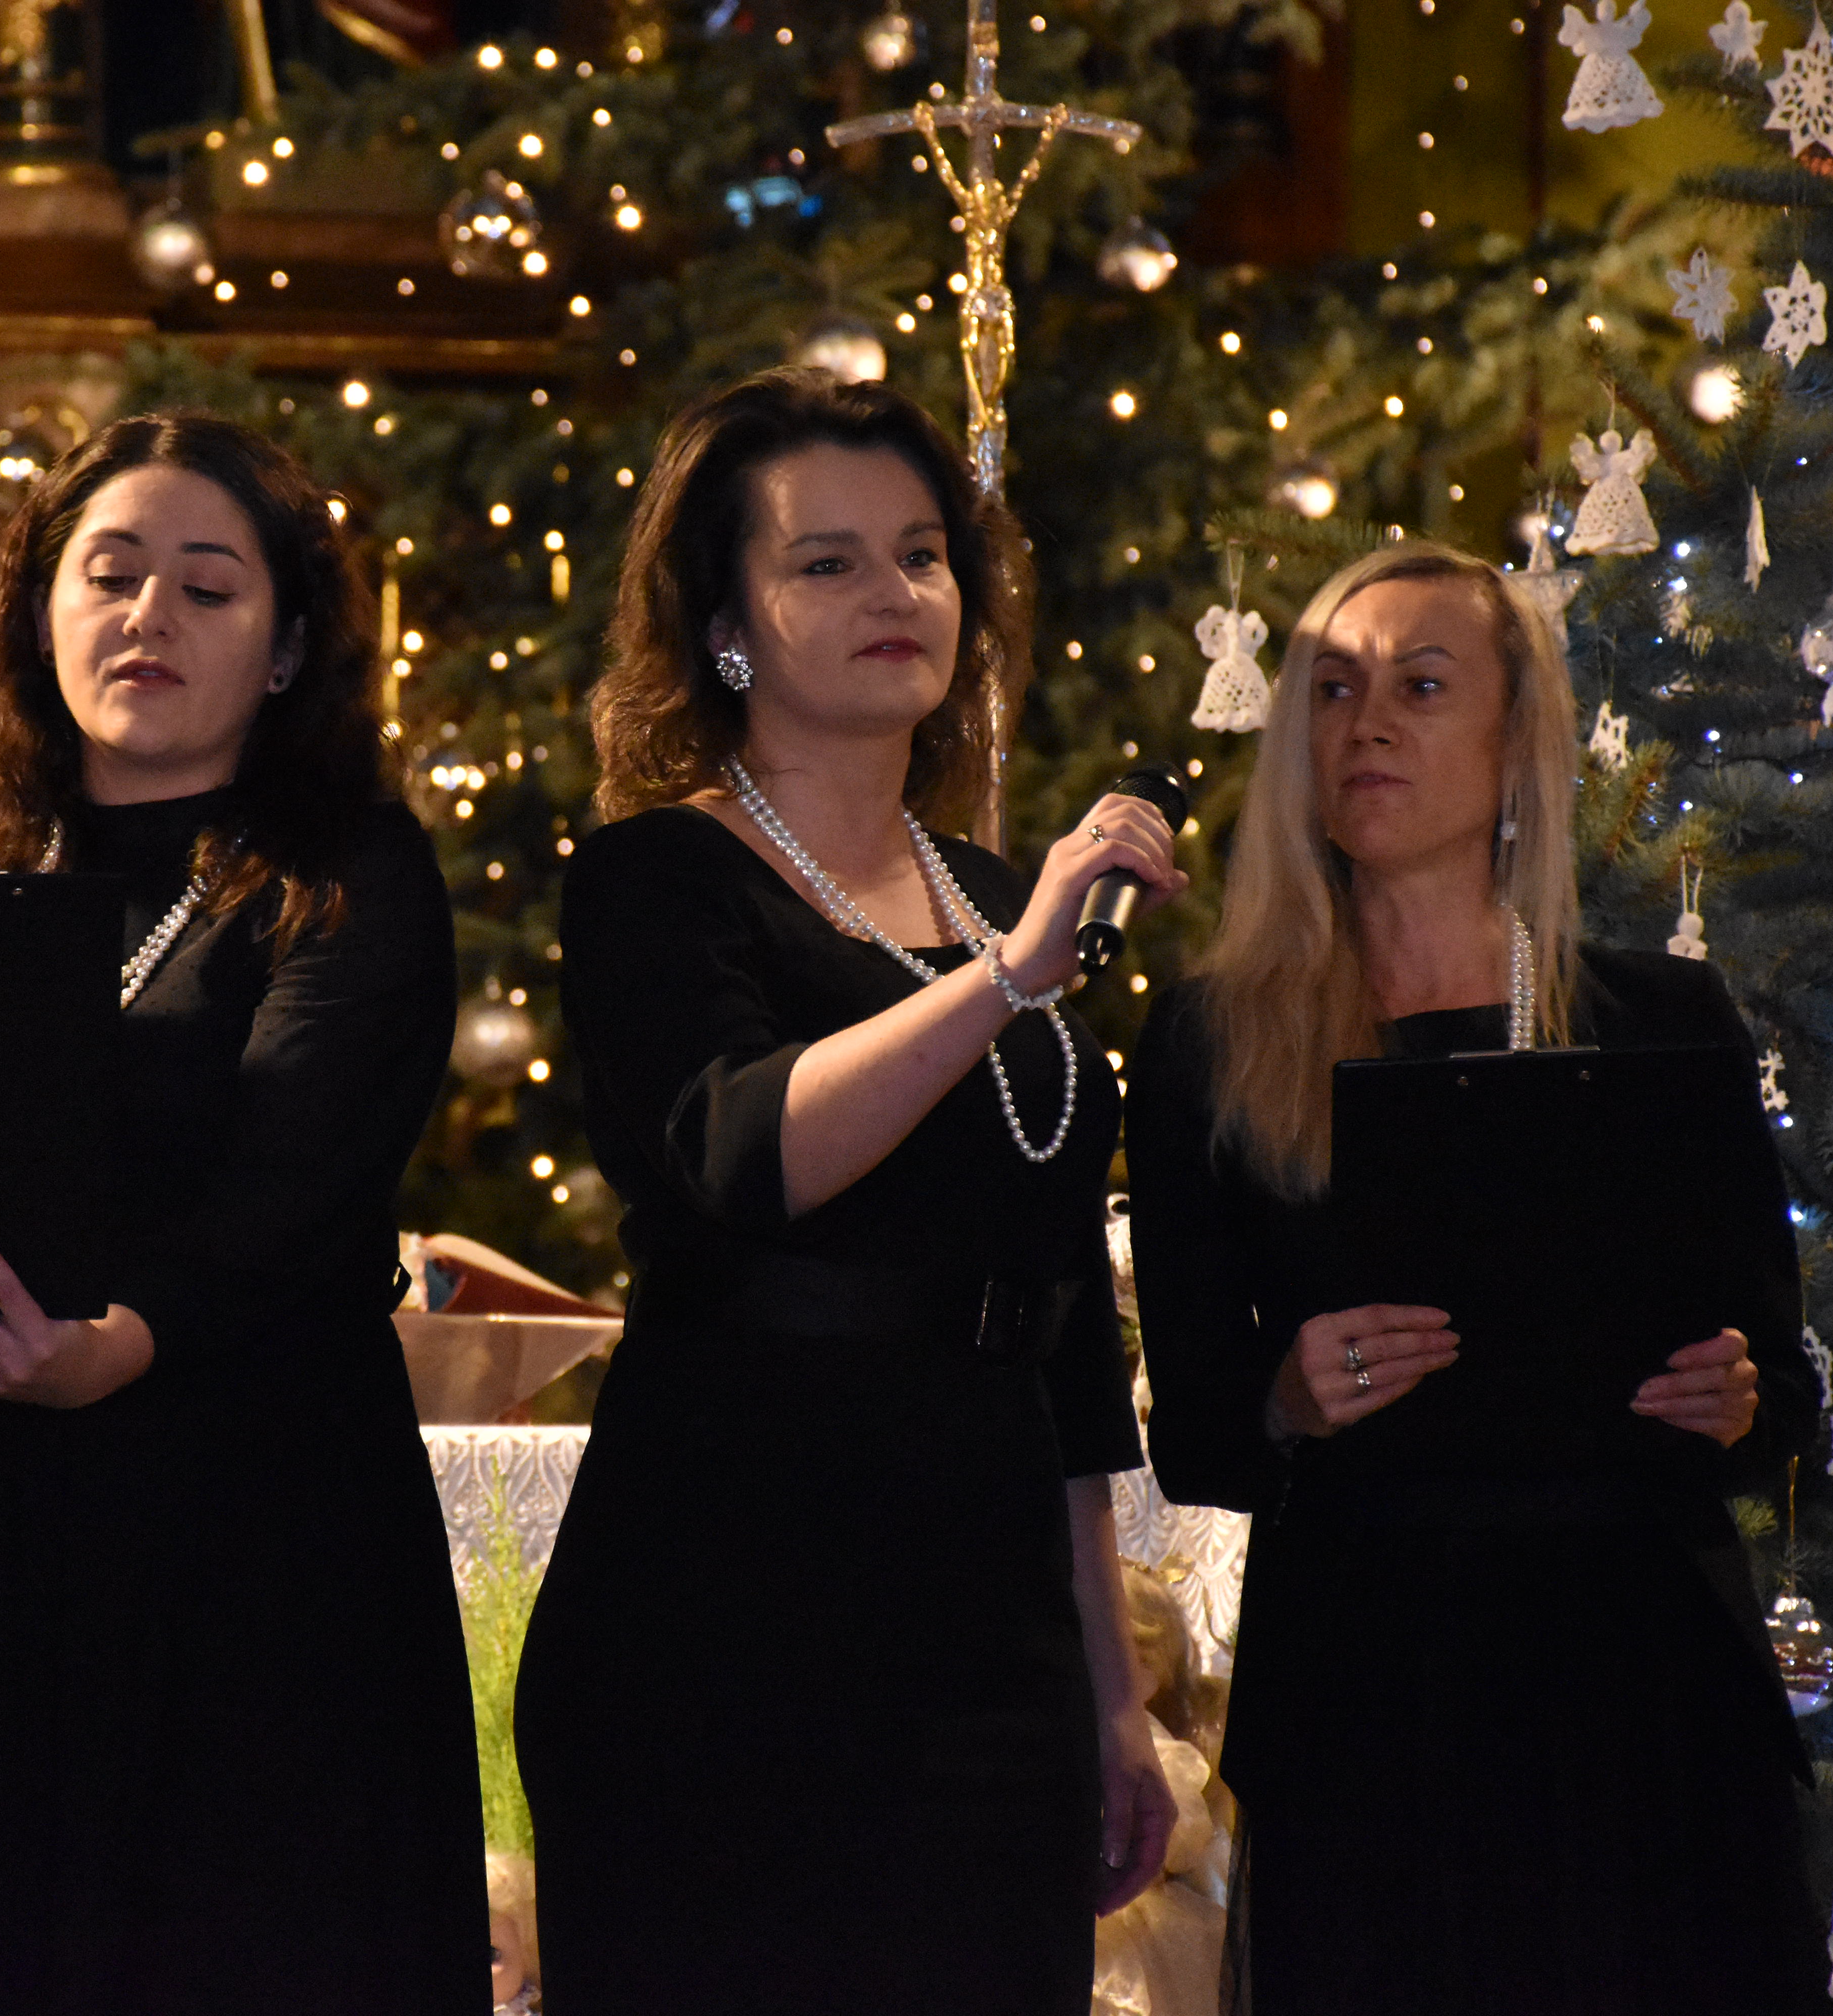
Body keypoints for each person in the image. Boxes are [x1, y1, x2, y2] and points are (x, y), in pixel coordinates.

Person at [513, 367, 1184, 2016]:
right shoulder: (658, 878)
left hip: (992, 1615)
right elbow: (745, 1152)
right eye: (827, 562)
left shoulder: (994, 892)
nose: (895, 593)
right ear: (725, 626)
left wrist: (1111, 1695)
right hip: (727, 1598)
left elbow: (1062, 1334)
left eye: (923, 555)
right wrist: (1006, 981)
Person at [0, 414, 486, 2013]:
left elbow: (298, 1171)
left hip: (256, 1545)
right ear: (39, 611)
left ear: (286, 648)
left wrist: (125, 1340)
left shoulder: (349, 868)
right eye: (110, 576)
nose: (149, 618)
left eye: (208, 588)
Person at [1123, 540, 1824, 2016]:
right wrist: (1285, 1397)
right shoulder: (1211, 1040)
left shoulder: (1659, 1017)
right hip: (1371, 1687)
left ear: (1515, 746)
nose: (1367, 725)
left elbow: (1781, 1387)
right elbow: (1193, 1432)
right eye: (1332, 691)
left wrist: (1735, 1397)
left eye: (1422, 687)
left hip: (1642, 1676)